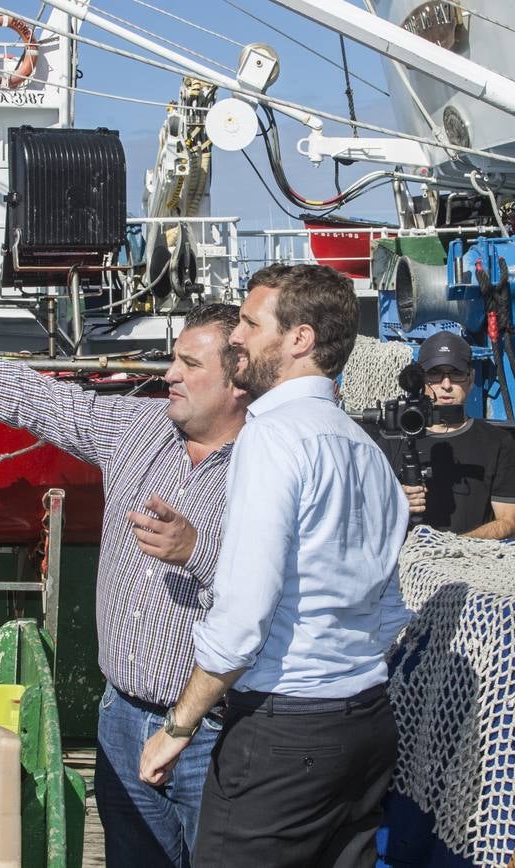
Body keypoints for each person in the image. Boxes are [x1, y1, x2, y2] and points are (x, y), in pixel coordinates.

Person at [0, 302, 247, 868]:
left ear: (238, 382)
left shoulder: (268, 464)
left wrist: (198, 552)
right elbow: (45, 401)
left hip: (214, 731)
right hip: (121, 716)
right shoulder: (140, 430)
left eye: (189, 363)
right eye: (172, 360)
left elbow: (282, 593)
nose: (170, 374)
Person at [139, 264, 412, 868]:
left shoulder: (272, 439)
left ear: (299, 340)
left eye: (248, 322)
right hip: (365, 723)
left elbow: (241, 617)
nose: (236, 336)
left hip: (286, 735)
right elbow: (389, 608)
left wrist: (177, 728)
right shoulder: (366, 451)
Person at [384, 330, 515, 539]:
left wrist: (452, 547)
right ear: (420, 379)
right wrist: (394, 503)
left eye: (456, 373)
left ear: (471, 377)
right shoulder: (391, 441)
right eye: (435, 374)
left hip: (471, 565)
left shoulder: (498, 443)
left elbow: (510, 524)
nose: (446, 385)